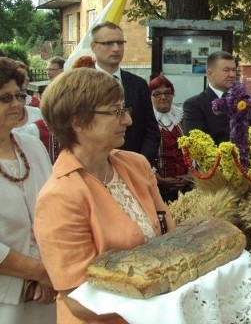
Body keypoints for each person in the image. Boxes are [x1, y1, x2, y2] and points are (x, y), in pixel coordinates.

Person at [34, 68, 174, 324]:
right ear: (78, 122)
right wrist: (161, 310)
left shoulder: (136, 165)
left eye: (125, 110)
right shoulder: (60, 197)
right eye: (115, 112)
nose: (128, 121)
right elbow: (80, 300)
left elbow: (169, 238)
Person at [0, 57, 56, 323]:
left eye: (19, 96)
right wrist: (39, 272)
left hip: (47, 292)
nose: (16, 104)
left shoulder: (32, 146)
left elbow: (55, 211)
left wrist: (50, 272)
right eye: (5, 98)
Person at [90, 22, 160, 164]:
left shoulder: (138, 84)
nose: (116, 48)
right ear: (94, 47)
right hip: (95, 167)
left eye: (120, 43)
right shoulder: (81, 84)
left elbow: (151, 131)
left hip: (134, 167)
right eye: (108, 43)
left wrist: (141, 163)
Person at [183, 51, 251, 146]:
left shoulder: (247, 100)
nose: (232, 75)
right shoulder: (195, 105)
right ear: (210, 73)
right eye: (226, 70)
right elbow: (197, 144)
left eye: (234, 70)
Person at [149, 75, 192, 202]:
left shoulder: (184, 117)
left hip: (187, 187)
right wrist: (159, 179)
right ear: (150, 97)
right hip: (157, 189)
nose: (163, 97)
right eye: (157, 94)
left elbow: (194, 149)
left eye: (167, 93)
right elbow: (141, 155)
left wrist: (189, 175)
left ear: (173, 95)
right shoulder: (147, 121)